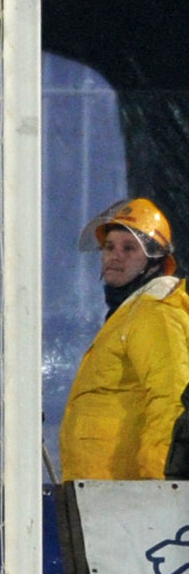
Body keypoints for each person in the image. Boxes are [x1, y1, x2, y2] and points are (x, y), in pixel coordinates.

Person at [57, 198, 189, 480]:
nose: (115, 256)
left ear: (155, 261)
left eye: (129, 248)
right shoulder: (128, 314)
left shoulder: (154, 310)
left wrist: (163, 484)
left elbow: (170, 398)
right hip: (107, 490)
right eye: (109, 247)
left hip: (132, 493)